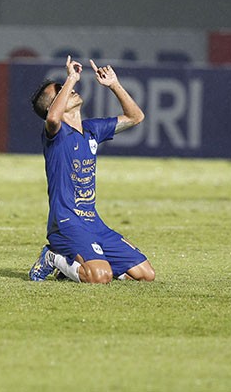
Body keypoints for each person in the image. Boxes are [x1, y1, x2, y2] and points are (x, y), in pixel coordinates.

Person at [28, 57, 156, 284]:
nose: (72, 89)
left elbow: (136, 117)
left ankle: (76, 267)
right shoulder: (55, 134)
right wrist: (70, 78)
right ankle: (52, 258)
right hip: (67, 224)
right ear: (54, 103)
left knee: (146, 275)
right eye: (60, 91)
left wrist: (114, 85)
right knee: (100, 277)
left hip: (93, 223)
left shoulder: (92, 130)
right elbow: (52, 117)